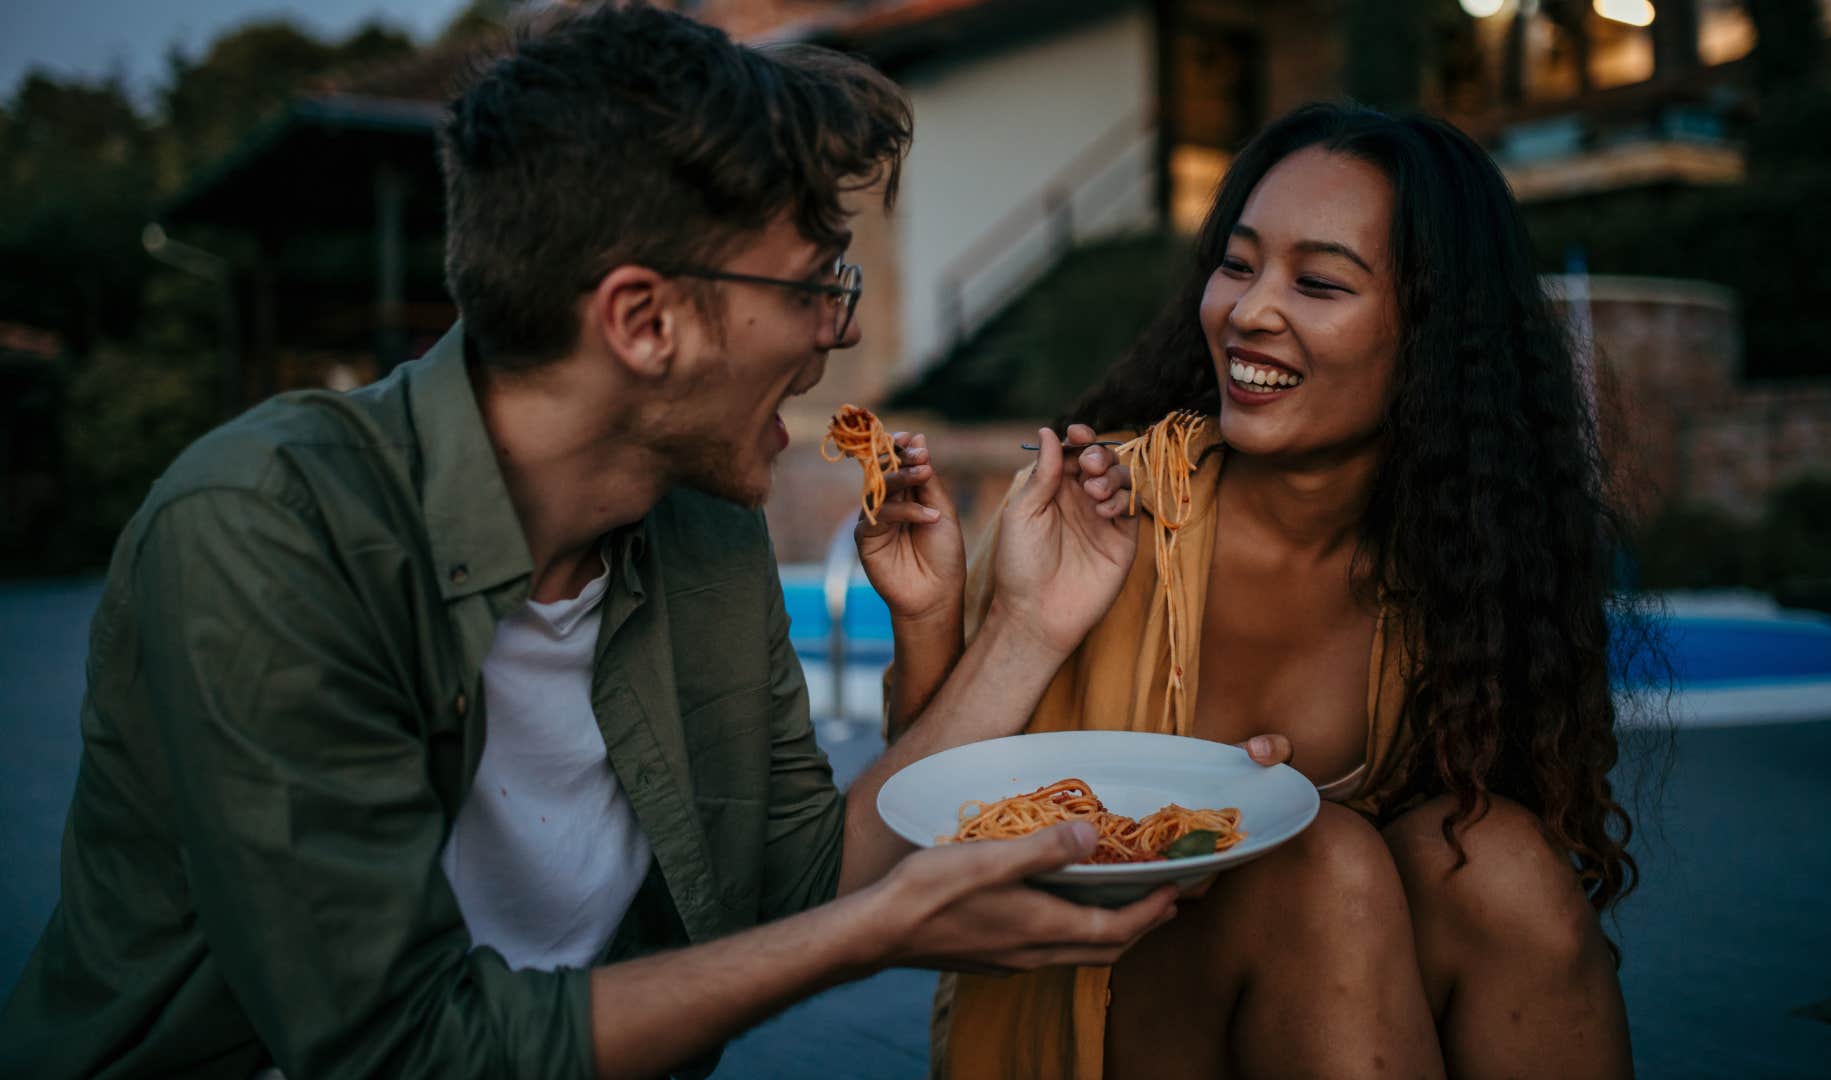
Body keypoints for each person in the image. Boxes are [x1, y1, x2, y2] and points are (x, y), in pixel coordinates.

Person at [0, 7, 1299, 1077]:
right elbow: (397, 1049)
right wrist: (872, 941)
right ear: (644, 321)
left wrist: (1023, 625)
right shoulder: (266, 536)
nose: (835, 333)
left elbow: (795, 882)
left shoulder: (692, 527)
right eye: (811, 284)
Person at [880, 102, 1654, 1078]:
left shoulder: (1454, 574)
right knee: (1315, 858)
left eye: (1319, 281)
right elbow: (925, 825)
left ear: (1435, 335)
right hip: (1082, 1006)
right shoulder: (1095, 510)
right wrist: (924, 623)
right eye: (1238, 264)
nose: (1249, 311)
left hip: (1328, 1007)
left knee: (1498, 860)